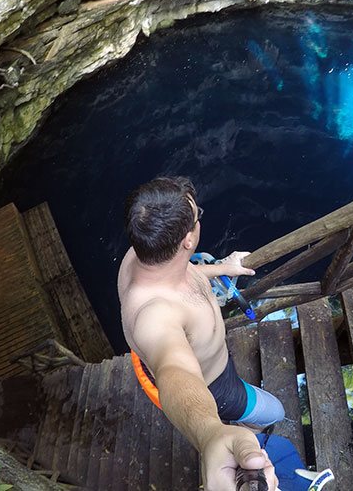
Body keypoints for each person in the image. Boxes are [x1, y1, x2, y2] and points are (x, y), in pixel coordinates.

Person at [118, 176, 283, 491]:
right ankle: (243, 425)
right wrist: (210, 433)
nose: (198, 222)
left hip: (212, 363)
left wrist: (222, 268)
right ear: (189, 241)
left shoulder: (140, 254)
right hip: (215, 386)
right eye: (198, 218)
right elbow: (174, 370)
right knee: (276, 410)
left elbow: (184, 271)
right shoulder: (156, 316)